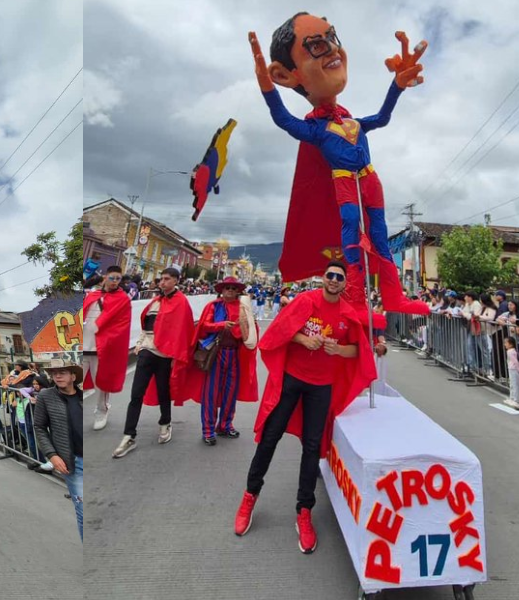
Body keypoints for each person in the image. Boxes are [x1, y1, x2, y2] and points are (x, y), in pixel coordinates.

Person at [248, 15, 429, 317]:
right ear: (285, 75)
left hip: (370, 179)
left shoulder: (353, 122)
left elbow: (382, 118)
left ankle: (394, 297)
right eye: (317, 45)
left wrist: (396, 86)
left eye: (332, 38)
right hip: (343, 181)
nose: (332, 49)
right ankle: (356, 300)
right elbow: (282, 119)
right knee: (351, 233)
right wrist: (267, 87)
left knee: (380, 236)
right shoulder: (316, 130)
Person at [233, 260, 375, 554]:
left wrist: (338, 349)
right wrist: (303, 338)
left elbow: (358, 350)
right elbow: (282, 330)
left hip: (321, 388)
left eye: (339, 277)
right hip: (291, 381)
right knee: (270, 438)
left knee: (312, 448)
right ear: (322, 278)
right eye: (329, 275)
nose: (334, 280)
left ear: (344, 283)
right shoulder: (305, 301)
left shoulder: (347, 315)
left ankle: (304, 511)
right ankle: (249, 497)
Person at [113, 268, 194, 459]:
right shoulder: (155, 302)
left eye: (167, 279)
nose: (162, 283)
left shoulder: (181, 302)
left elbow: (184, 331)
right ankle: (129, 435)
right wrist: (139, 345)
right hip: (147, 352)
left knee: (163, 392)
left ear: (176, 280)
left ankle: (165, 422)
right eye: (161, 279)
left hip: (166, 355)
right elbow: (146, 327)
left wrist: (177, 357)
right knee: (136, 395)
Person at [189, 277, 259, 445]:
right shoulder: (214, 306)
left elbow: (251, 331)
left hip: (234, 353)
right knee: (210, 393)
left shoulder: (243, 308)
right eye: (227, 287)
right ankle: (208, 430)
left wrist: (249, 326)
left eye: (233, 288)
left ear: (237, 291)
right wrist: (220, 325)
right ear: (221, 290)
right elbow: (204, 326)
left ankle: (225, 425)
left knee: (231, 392)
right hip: (216, 353)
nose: (230, 290)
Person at [33, 359, 84, 542]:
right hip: (73, 462)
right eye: (54, 373)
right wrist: (52, 455)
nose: (57, 376)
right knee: (83, 512)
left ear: (73, 376)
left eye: (62, 372)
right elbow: (39, 427)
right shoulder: (46, 396)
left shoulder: (82, 396)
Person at [80, 266, 132, 431]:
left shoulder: (122, 299)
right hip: (83, 345)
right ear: (105, 277)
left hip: (101, 347)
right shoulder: (92, 295)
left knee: (100, 384)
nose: (115, 281)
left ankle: (101, 411)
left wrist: (105, 335)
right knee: (74, 383)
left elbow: (122, 326)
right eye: (112, 278)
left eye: (118, 279)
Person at [504, 337, 519, 409]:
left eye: (506, 343)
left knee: (515, 384)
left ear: (511, 344)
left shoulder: (511, 352)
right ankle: (512, 398)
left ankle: (516, 400)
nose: (505, 344)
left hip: (514, 369)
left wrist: (518, 368)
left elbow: (515, 361)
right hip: (511, 368)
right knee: (512, 383)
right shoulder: (510, 351)